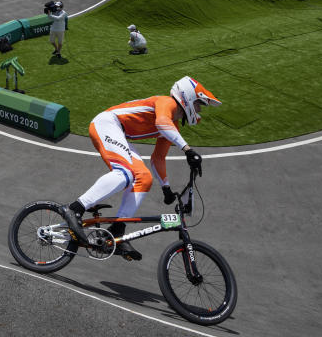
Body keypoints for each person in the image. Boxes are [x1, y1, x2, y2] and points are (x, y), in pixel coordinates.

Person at [59, 77, 220, 260]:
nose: (199, 110)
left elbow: (158, 158)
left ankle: (118, 229)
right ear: (188, 98)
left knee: (144, 177)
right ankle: (75, 208)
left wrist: (165, 187)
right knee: (125, 173)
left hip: (119, 133)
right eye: (199, 104)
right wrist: (188, 150)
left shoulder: (173, 125)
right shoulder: (166, 103)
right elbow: (161, 123)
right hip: (107, 124)